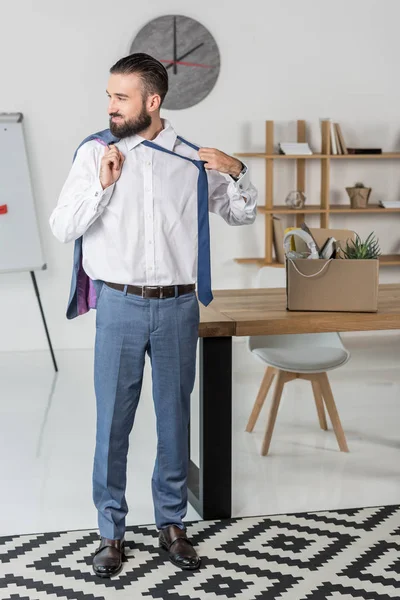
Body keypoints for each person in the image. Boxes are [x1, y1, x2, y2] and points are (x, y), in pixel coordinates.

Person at [49, 52, 257, 577]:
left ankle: (171, 525)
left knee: (174, 418)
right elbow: (61, 227)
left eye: (121, 97)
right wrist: (103, 185)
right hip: (117, 304)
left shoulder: (191, 159)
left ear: (153, 101)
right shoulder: (95, 153)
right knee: (112, 423)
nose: (111, 107)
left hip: (178, 306)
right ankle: (111, 532)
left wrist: (237, 170)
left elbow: (238, 212)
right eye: (110, 97)